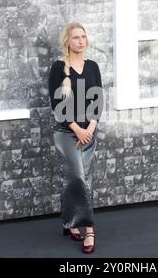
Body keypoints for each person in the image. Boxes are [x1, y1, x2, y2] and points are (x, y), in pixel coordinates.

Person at [48, 22, 103, 254]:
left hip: (88, 131)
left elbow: (98, 100)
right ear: (67, 41)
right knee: (79, 177)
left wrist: (90, 127)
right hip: (66, 132)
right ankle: (89, 230)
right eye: (75, 37)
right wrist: (77, 129)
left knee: (79, 179)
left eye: (83, 37)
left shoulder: (93, 66)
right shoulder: (58, 67)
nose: (80, 41)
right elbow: (57, 103)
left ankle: (69, 222)